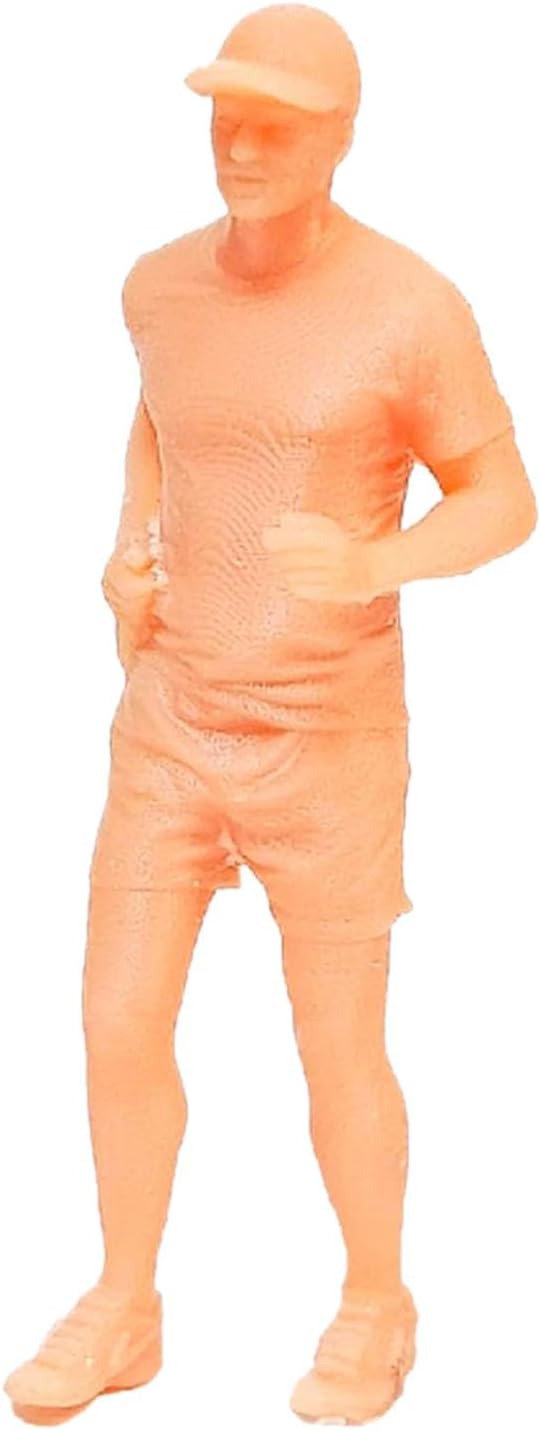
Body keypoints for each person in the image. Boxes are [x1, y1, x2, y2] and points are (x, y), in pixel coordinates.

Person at [4, 3, 536, 1424]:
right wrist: (125, 550)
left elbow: (503, 497)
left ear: (342, 137)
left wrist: (375, 562)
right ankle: (125, 1300)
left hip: (329, 739)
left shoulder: (408, 306)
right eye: (224, 119)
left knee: (336, 1039)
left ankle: (377, 1302)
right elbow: (164, 423)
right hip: (170, 717)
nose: (241, 148)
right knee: (115, 1017)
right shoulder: (155, 287)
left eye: (277, 126)